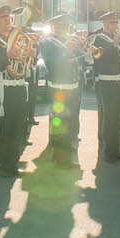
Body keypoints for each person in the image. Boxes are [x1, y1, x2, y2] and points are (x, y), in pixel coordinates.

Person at [0, 5, 30, 176]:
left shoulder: (16, 39)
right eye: (4, 18)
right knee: (6, 127)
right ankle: (3, 164)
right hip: (3, 88)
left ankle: (13, 162)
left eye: (9, 18)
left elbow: (27, 60)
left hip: (18, 86)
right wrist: (6, 56)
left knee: (18, 126)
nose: (8, 21)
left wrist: (31, 53)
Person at [92, 11, 120, 163]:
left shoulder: (119, 38)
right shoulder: (97, 39)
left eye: (117, 22)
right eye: (112, 22)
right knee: (109, 119)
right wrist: (115, 43)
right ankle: (109, 152)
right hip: (108, 83)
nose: (116, 25)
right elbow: (99, 59)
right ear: (104, 23)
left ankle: (118, 151)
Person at [39, 13, 82, 168]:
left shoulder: (68, 40)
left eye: (65, 25)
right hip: (58, 88)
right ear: (53, 27)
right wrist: (68, 50)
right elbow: (52, 62)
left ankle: (64, 151)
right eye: (59, 25)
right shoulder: (48, 42)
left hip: (72, 87)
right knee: (59, 122)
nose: (63, 28)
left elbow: (79, 61)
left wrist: (79, 47)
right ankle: (60, 158)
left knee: (70, 121)